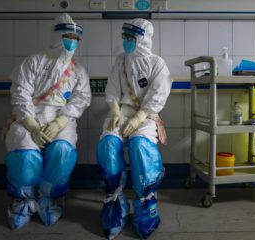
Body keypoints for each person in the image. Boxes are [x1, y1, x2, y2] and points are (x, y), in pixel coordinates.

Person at [4, 13, 91, 229]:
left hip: (62, 119)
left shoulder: (78, 69)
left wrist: (61, 122)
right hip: (29, 116)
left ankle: (50, 198)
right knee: (24, 152)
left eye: (75, 38)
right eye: (67, 35)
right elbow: (20, 94)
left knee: (62, 149)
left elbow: (82, 98)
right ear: (56, 34)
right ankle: (24, 200)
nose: (71, 41)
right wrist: (31, 124)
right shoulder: (33, 61)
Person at [96, 18, 172, 239]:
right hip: (121, 112)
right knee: (108, 144)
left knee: (140, 147)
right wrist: (115, 111)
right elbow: (112, 89)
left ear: (144, 38)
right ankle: (114, 202)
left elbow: (158, 96)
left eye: (132, 37)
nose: (127, 41)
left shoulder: (158, 64)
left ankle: (146, 204)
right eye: (125, 36)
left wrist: (139, 117)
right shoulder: (120, 61)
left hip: (146, 116)